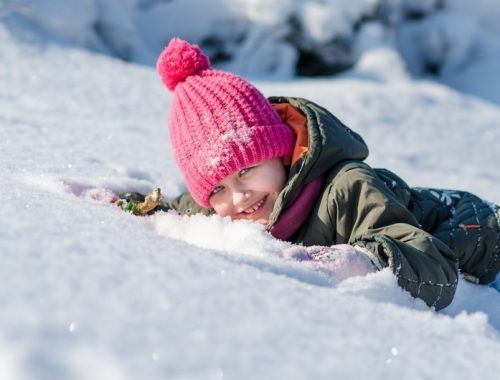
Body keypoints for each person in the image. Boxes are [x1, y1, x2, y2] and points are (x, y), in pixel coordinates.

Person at [119, 38, 500, 311]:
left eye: (248, 170)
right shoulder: (227, 207)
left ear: (282, 156)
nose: (238, 197)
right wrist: (141, 206)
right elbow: (186, 207)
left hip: (477, 234)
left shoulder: (349, 188)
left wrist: (362, 262)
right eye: (217, 187)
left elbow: (434, 268)